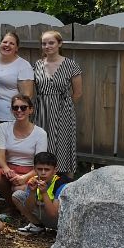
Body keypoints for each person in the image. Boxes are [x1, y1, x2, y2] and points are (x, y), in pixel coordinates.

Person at [33, 30, 83, 176]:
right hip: (41, 110)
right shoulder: (37, 65)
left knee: (63, 143)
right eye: (44, 43)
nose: (47, 46)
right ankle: (43, 176)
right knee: (43, 142)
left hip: (63, 110)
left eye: (51, 43)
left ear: (59, 44)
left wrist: (64, 107)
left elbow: (78, 93)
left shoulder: (71, 65)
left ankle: (66, 179)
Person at [0, 94, 49, 210]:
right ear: (12, 110)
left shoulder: (40, 133)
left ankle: (22, 207)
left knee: (18, 189)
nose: (19, 110)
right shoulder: (3, 127)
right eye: (15, 107)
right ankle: (12, 204)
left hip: (31, 170)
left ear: (30, 110)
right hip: (10, 168)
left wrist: (24, 178)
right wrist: (7, 169)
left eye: (23, 107)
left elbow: (40, 164)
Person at [0, 31, 34, 147]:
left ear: (17, 48)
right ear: (0, 43)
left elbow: (27, 95)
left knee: (2, 149)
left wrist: (19, 114)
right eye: (4, 42)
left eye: (12, 43)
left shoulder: (23, 65)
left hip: (7, 116)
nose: (7, 45)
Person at [14, 151, 70, 235]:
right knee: (17, 195)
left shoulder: (62, 184)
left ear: (55, 170)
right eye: (40, 169)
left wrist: (44, 193)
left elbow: (53, 214)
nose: (43, 173)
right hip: (45, 216)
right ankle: (37, 226)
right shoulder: (34, 181)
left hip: (60, 222)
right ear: (34, 169)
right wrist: (32, 192)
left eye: (47, 169)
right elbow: (28, 209)